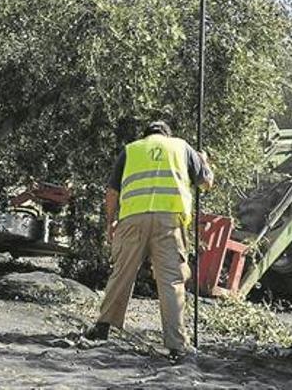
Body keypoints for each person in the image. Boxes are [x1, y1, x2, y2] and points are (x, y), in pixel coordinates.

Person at [84, 120, 213, 361]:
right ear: (167, 135)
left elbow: (112, 192)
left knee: (122, 272)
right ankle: (176, 346)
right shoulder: (182, 148)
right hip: (169, 223)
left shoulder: (131, 150)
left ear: (146, 136)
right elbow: (206, 183)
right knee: (171, 281)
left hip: (132, 219)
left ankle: (102, 328)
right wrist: (203, 161)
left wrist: (110, 222)